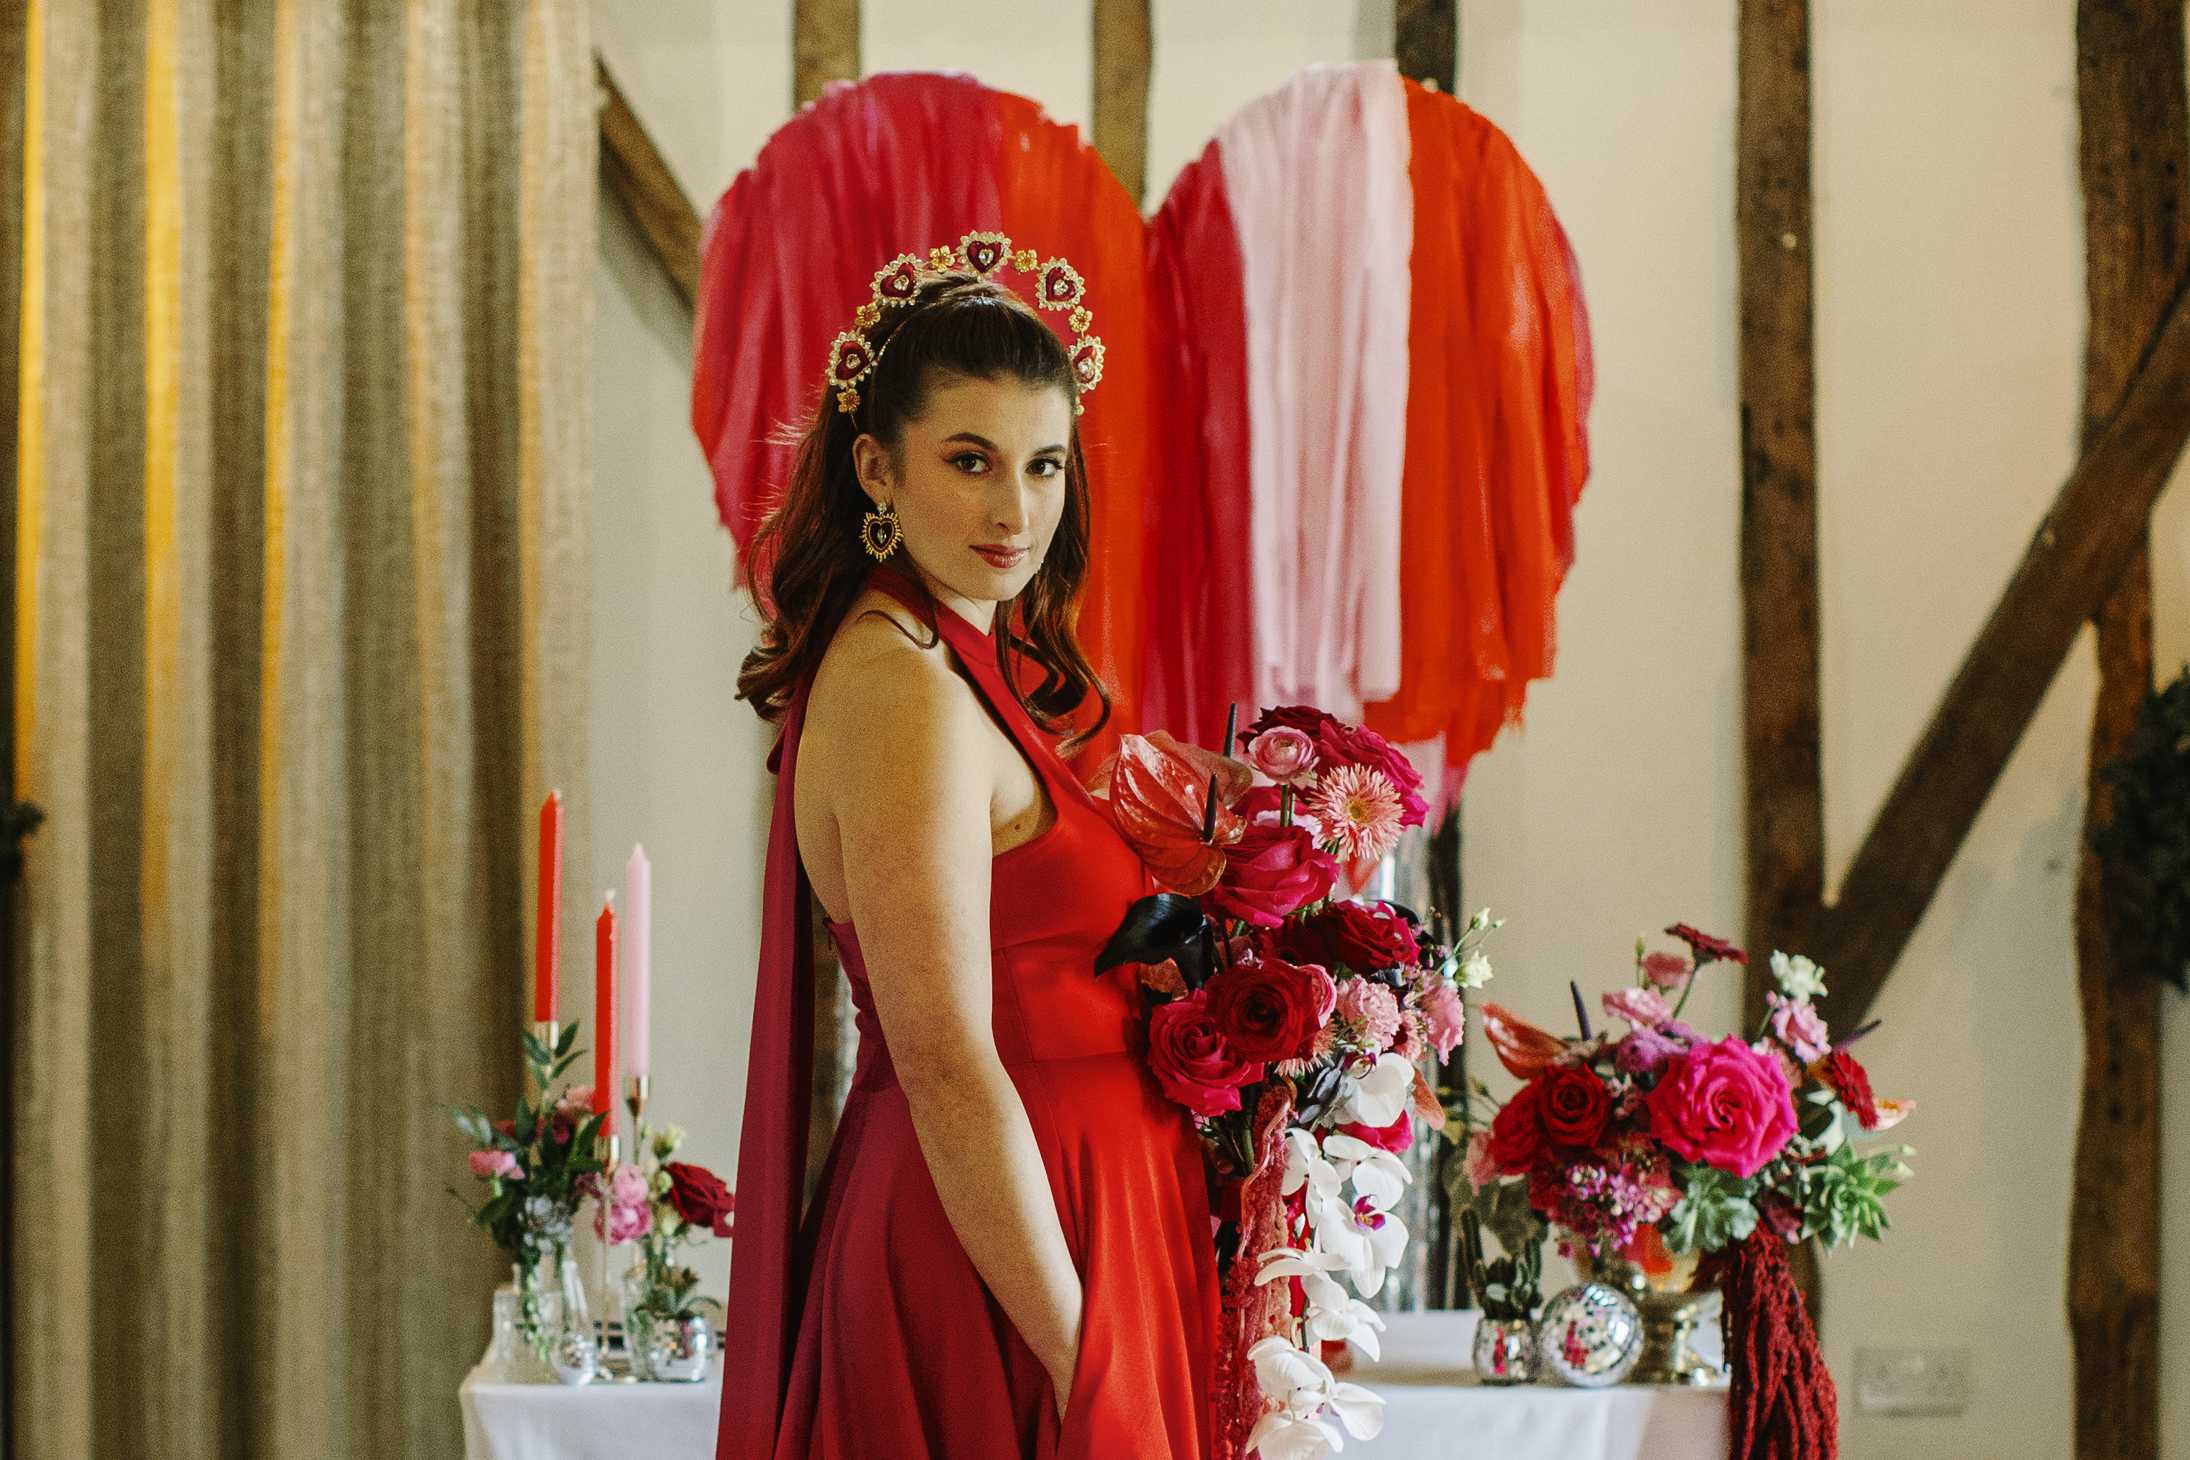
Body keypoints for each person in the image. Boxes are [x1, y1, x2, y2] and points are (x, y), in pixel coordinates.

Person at [715, 235, 1219, 1460]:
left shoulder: (957, 664)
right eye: (971, 460)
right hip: (998, 1259)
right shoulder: (906, 691)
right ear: (876, 467)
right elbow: (946, 1061)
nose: (1016, 509)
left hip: (1064, 1220)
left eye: (1045, 465)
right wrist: (1083, 1357)